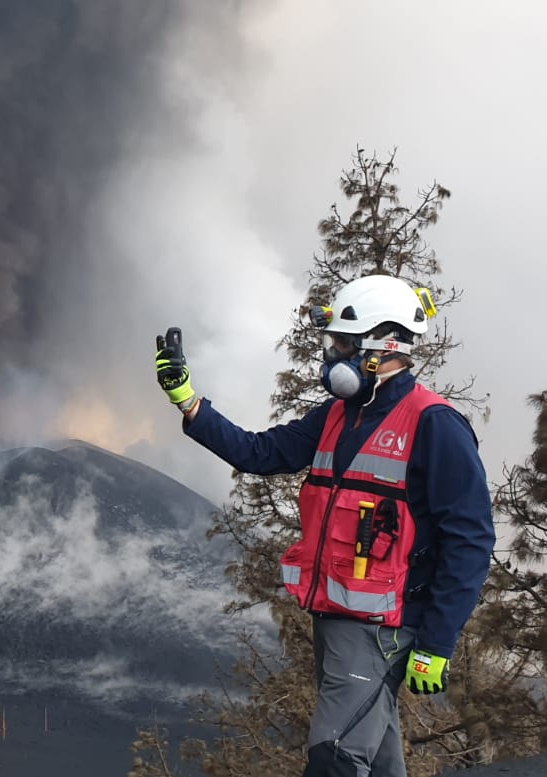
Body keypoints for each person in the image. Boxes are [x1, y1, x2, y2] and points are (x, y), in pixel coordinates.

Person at [153, 273, 495, 776]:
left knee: (334, 757)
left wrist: (438, 643)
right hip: (337, 619)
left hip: (383, 630)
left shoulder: (434, 424)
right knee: (376, 759)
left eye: (342, 343)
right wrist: (188, 401)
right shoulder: (338, 414)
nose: (331, 355)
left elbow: (470, 538)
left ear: (382, 346)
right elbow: (260, 452)